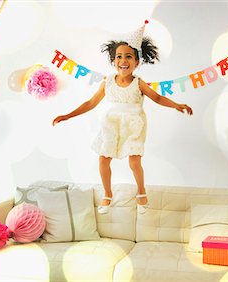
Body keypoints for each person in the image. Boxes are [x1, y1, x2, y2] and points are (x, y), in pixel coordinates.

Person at [53, 21, 193, 214]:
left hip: (134, 125)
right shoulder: (108, 82)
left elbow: (158, 97)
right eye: (119, 56)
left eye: (128, 56)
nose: (123, 60)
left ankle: (141, 192)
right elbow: (91, 103)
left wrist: (177, 105)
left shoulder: (138, 83)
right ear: (114, 60)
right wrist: (68, 115)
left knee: (134, 162)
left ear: (136, 62)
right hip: (111, 125)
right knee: (103, 159)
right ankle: (107, 194)